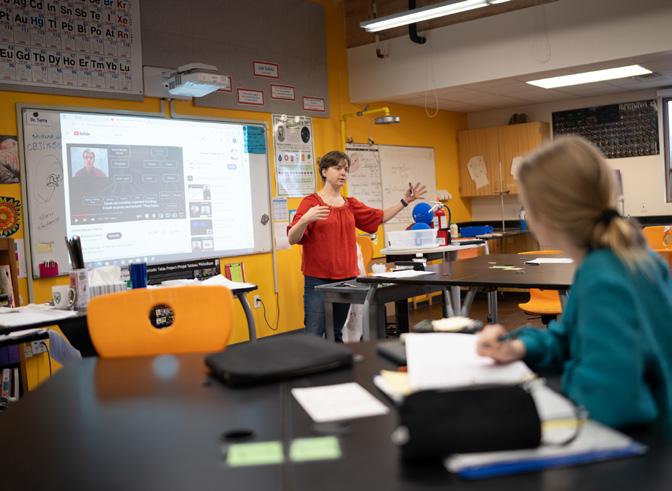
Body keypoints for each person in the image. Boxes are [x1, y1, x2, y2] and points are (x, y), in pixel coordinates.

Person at [476, 136, 672, 429]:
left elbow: (612, 402)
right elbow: (571, 337)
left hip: (644, 447)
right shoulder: (625, 258)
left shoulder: (602, 277)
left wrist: (554, 381)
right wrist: (520, 347)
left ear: (545, 217)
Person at [287, 150, 426, 342]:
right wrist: (305, 219)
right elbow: (292, 238)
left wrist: (405, 201)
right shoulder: (311, 203)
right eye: (337, 168)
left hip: (346, 279)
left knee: (336, 332)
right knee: (313, 334)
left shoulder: (350, 204)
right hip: (318, 280)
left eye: (345, 169)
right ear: (324, 171)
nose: (343, 173)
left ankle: (337, 362)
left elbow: (379, 217)